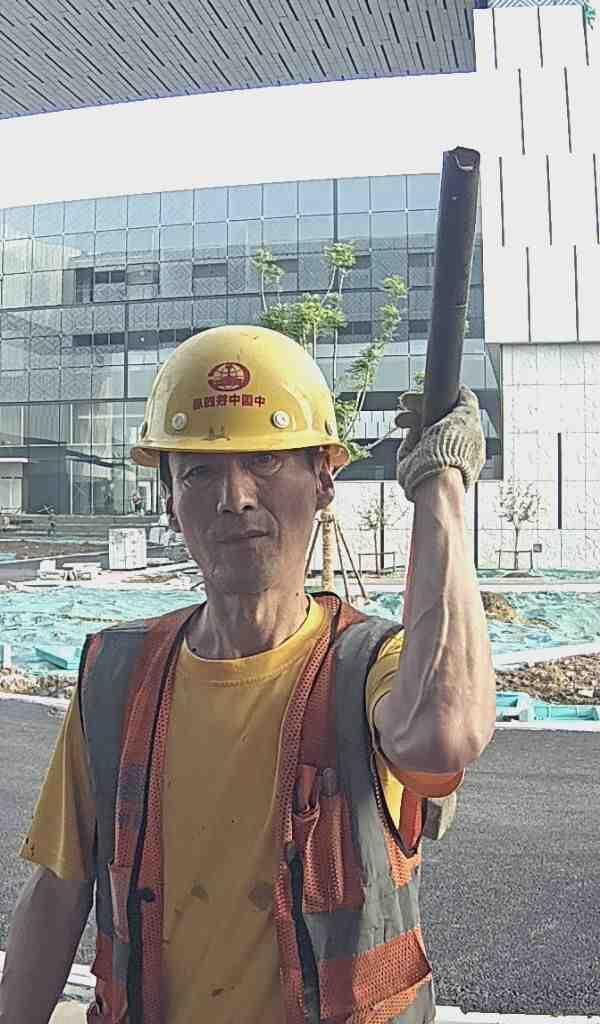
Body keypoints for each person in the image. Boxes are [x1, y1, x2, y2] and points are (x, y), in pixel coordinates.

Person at [0, 325, 496, 1024]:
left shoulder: (370, 665)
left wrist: (440, 488)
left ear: (324, 480)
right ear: (169, 502)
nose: (233, 496)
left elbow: (445, 734)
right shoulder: (117, 676)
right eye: (198, 472)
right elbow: (57, 892)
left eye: (264, 459)